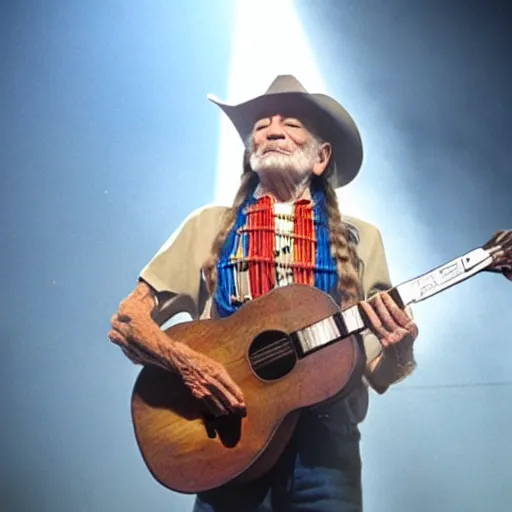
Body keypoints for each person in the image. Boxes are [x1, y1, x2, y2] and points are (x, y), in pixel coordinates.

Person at [108, 75, 421, 511]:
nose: (272, 130)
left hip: (325, 454)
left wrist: (400, 349)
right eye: (261, 125)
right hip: (228, 440)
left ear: (321, 156)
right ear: (249, 151)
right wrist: (188, 364)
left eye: (291, 124)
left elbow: (378, 373)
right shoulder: (208, 225)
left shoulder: (361, 239)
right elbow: (128, 322)